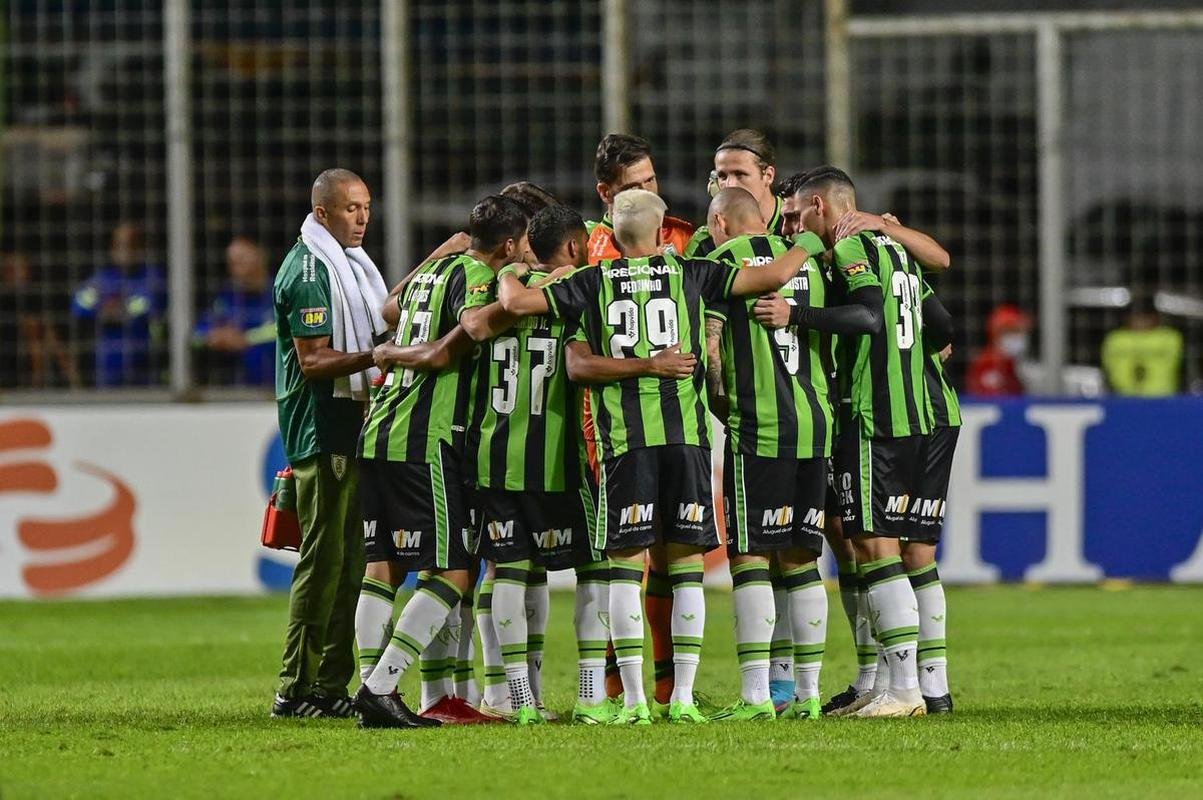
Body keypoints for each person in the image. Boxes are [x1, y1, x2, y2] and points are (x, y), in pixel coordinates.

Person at [498, 188, 830, 724]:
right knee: (686, 570)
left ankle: (632, 702)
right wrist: (812, 237)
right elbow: (771, 277)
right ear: (660, 231)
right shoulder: (693, 273)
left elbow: (520, 309)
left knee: (626, 569)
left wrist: (511, 273)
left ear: (611, 229)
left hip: (626, 443)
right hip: (688, 440)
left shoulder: (591, 281)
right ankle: (681, 698)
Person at [353, 195, 532, 729]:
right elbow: (449, 346)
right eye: (523, 242)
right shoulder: (478, 274)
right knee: (453, 571)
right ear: (508, 244)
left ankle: (370, 688)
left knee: (382, 565)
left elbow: (389, 310)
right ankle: (381, 688)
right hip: (422, 436)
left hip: (379, 430)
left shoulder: (435, 270)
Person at [794, 167, 935, 718]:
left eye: (798, 213)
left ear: (822, 208)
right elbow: (939, 320)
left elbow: (870, 316)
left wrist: (799, 314)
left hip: (873, 414)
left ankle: (903, 689)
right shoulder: (893, 247)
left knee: (874, 546)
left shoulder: (853, 244)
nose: (793, 223)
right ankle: (892, 684)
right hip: (912, 413)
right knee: (880, 546)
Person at [699, 188, 832, 722]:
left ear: (719, 222)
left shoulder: (721, 262)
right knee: (803, 560)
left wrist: (721, 402)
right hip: (814, 424)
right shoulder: (809, 267)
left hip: (761, 425)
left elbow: (711, 347)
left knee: (750, 557)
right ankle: (809, 694)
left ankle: (755, 696)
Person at [270, 168, 389, 719]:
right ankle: (294, 688)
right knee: (323, 560)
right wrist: (378, 358)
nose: (362, 218)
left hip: (351, 423)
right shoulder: (311, 272)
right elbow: (315, 362)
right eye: (350, 209)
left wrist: (437, 257)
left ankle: (330, 687)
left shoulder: (350, 267)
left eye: (366, 207)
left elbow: (381, 321)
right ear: (322, 213)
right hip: (324, 429)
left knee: (351, 560)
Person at [71, 222, 166, 387]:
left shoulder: (152, 277)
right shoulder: (103, 277)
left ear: (141, 247)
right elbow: (80, 304)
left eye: (130, 245)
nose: (124, 251)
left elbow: (144, 305)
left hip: (144, 369)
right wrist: (110, 310)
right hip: (107, 369)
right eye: (119, 245)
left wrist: (111, 308)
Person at [586, 134, 695, 263]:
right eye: (632, 187)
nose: (646, 193)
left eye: (650, 180)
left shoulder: (684, 235)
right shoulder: (587, 246)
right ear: (605, 192)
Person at [685, 129, 788, 258]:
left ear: (768, 175)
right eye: (722, 176)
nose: (730, 185)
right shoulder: (705, 241)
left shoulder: (797, 224)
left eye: (740, 174)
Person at [193, 236, 275, 387]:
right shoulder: (226, 298)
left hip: (276, 388)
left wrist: (245, 339)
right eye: (231, 263)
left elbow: (285, 332)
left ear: (259, 256)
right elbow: (197, 334)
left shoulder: (281, 293)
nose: (235, 269)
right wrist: (214, 336)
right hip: (236, 392)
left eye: (241, 260)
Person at [0, 249, 78, 389]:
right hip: (11, 365)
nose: (15, 274)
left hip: (22, 371)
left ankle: (38, 384)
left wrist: (73, 379)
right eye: (9, 270)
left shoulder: (32, 299)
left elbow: (50, 340)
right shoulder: (8, 298)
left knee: (37, 327)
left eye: (20, 269)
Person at [1101, 295, 1183, 396]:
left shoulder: (1170, 337)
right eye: (1136, 317)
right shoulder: (1115, 339)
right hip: (1123, 397)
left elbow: (1175, 362)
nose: (1141, 321)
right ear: (1127, 318)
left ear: (1155, 317)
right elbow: (1108, 364)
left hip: (1161, 396)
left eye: (1145, 317)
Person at [967, 304, 1030, 395]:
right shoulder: (986, 362)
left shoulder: (1017, 361)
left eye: (1019, 331)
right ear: (996, 333)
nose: (1017, 337)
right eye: (1011, 331)